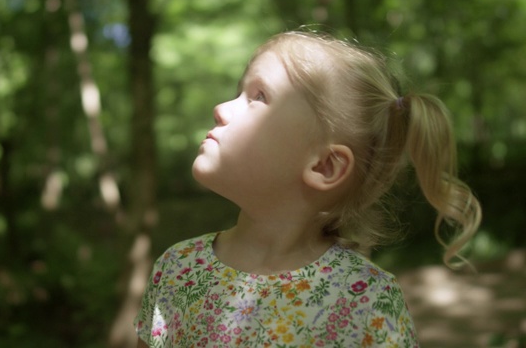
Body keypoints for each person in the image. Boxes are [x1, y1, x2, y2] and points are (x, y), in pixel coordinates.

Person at [134, 31, 481, 347]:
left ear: (324, 167)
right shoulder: (178, 269)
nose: (221, 108)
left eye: (258, 97)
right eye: (238, 92)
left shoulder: (365, 299)